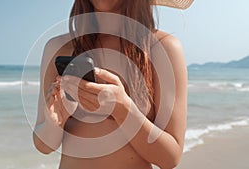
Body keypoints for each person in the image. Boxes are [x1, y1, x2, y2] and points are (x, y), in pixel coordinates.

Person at [33, 0, 193, 168]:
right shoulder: (58, 47)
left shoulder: (161, 47)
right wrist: (54, 123)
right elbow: (43, 145)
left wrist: (123, 109)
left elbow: (170, 158)